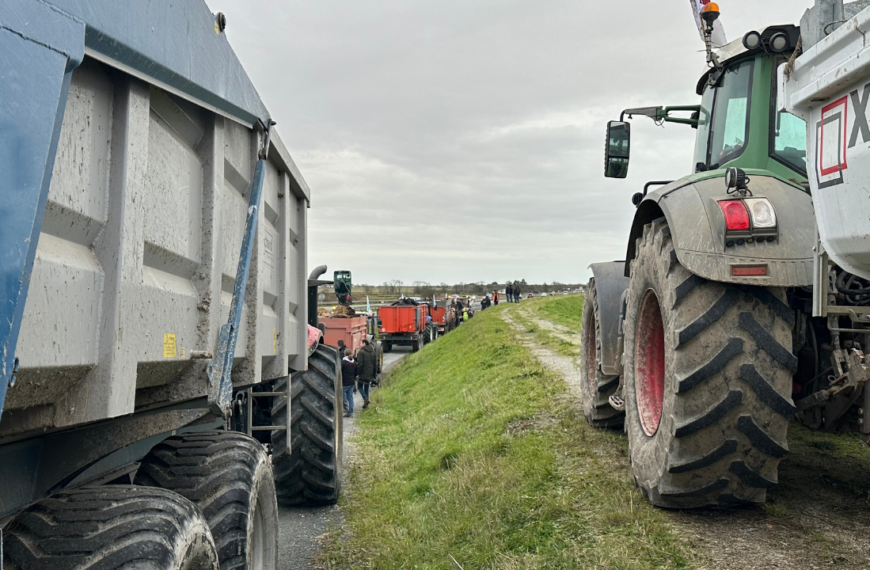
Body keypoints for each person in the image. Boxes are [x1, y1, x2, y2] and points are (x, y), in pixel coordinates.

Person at [356, 339, 377, 409]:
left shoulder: (361, 352)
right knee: (366, 388)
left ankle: (365, 399)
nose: (360, 345)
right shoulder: (373, 352)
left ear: (364, 344)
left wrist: (357, 373)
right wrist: (374, 375)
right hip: (370, 374)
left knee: (359, 387)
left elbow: (360, 364)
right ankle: (366, 404)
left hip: (362, 374)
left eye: (361, 343)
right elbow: (375, 364)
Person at [341, 348, 357, 417]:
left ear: (345, 354)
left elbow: (340, 372)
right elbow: (356, 373)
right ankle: (350, 411)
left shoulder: (343, 362)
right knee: (350, 397)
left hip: (345, 382)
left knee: (342, 395)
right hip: (352, 382)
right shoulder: (354, 363)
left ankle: (345, 408)